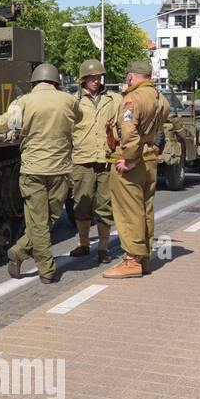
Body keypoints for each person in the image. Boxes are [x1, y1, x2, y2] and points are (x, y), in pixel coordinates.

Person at [0, 62, 76, 284]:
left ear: (34, 82)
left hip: (33, 169)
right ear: (56, 81)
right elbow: (79, 118)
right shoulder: (69, 100)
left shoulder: (23, 102)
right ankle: (27, 255)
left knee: (39, 222)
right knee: (50, 217)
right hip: (61, 169)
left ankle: (43, 268)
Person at [105, 60, 170, 279]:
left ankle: (132, 259)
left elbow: (128, 131)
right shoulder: (161, 99)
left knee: (128, 211)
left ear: (132, 77)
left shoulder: (132, 99)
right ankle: (144, 258)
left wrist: (130, 159)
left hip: (134, 162)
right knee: (145, 210)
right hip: (150, 158)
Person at [70, 59, 117, 264]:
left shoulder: (113, 99)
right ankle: (83, 243)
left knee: (105, 206)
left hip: (106, 158)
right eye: (92, 78)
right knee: (81, 205)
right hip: (82, 159)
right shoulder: (73, 101)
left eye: (98, 78)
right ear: (83, 80)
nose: (96, 81)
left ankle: (104, 248)